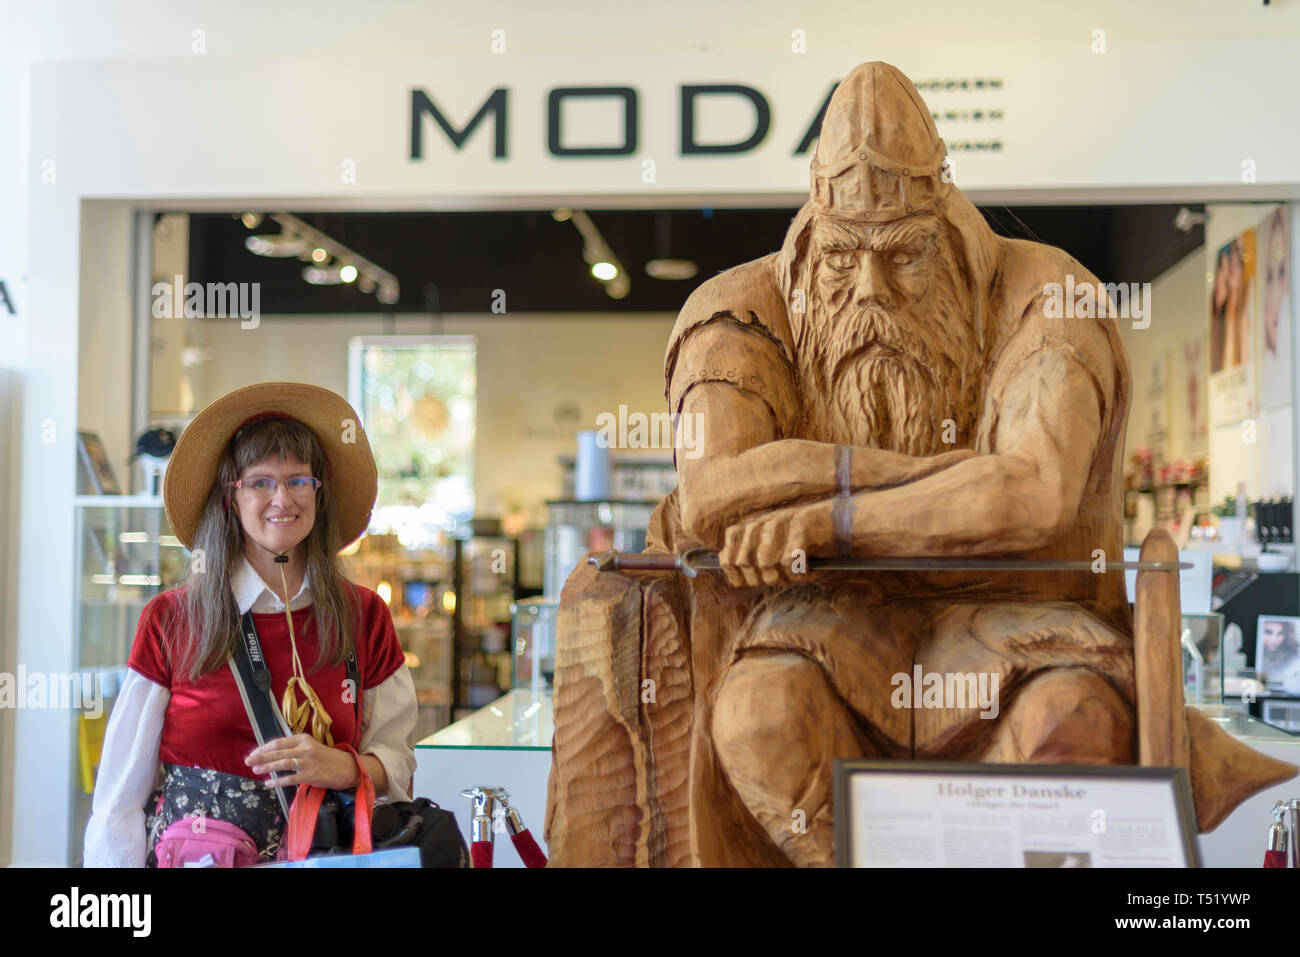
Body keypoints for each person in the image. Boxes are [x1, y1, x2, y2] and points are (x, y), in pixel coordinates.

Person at [84, 382, 418, 867]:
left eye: (298, 480)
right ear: (231, 497)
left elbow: (398, 761)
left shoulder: (363, 615)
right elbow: (120, 797)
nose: (282, 498)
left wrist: (342, 767)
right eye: (261, 482)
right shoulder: (171, 620)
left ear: (317, 492)